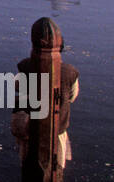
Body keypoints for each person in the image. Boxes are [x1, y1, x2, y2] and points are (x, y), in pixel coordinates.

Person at [11, 17, 80, 166]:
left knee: (29, 165)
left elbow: (17, 87)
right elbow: (72, 97)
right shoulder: (69, 73)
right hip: (56, 130)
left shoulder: (26, 66)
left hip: (30, 130)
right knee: (55, 168)